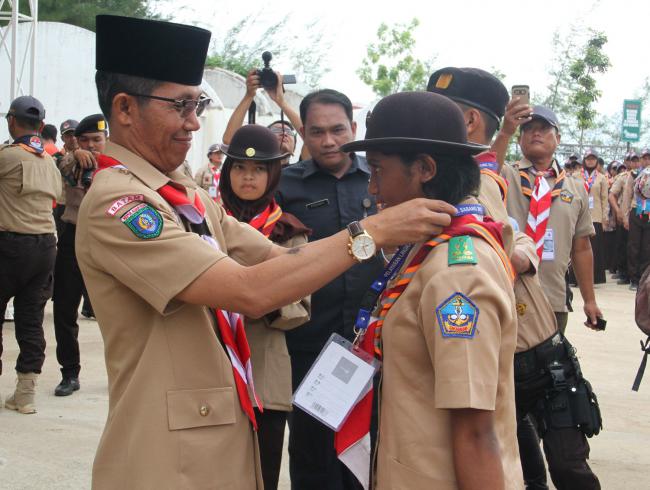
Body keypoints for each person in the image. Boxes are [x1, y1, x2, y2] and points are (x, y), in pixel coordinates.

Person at [78, 15, 454, 489]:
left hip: (220, 432)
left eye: (197, 105)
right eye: (181, 106)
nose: (194, 122)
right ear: (126, 107)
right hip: (168, 459)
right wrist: (372, 231)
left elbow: (274, 261)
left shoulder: (182, 196)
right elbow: (248, 290)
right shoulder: (122, 206)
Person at [339, 90, 523, 489]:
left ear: (424, 168)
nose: (372, 189)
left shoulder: (457, 274)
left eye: (378, 171)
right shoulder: (422, 247)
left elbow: (476, 432)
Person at [275, 87, 384, 490]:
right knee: (312, 453)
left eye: (338, 130)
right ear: (305, 134)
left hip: (374, 343)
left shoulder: (380, 179)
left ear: (353, 128)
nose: (329, 141)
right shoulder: (283, 185)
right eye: (317, 132)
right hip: (308, 344)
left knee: (368, 448)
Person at [218, 124, 310, 490]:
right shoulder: (201, 222)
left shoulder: (288, 231)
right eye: (239, 168)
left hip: (264, 371)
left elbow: (301, 306)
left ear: (273, 174)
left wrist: (253, 296)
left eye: (258, 170)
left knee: (264, 472)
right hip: (211, 364)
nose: (248, 176)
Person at [500, 106, 603, 334]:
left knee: (551, 368)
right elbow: (483, 171)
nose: (536, 133)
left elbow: (582, 249)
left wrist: (590, 300)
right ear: (520, 139)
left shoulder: (575, 189)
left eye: (543, 128)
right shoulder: (505, 175)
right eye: (528, 129)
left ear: (557, 138)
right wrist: (505, 132)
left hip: (552, 298)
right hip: (504, 293)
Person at [0, 95, 62, 414]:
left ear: (12, 121)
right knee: (30, 320)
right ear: (40, 126)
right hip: (45, 248)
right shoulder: (50, 162)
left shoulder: (7, 157)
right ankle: (25, 393)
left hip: (9, 246)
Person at [52, 114, 107, 396]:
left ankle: (123, 373)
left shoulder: (118, 164)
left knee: (116, 312)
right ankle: (69, 373)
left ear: (106, 139)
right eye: (84, 140)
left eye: (97, 140)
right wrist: (77, 151)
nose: (92, 146)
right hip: (73, 236)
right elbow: (64, 166)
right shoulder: (71, 160)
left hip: (109, 240)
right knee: (64, 308)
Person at [223, 69, 304, 165]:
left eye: (289, 132)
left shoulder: (302, 170)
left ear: (294, 148)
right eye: (276, 130)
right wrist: (249, 95)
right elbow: (229, 140)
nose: (283, 133)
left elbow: (309, 135)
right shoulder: (255, 166)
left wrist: (281, 102)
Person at [578, 148, 609, 284]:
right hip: (579, 216)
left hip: (596, 216)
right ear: (584, 161)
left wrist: (605, 218)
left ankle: (594, 278)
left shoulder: (602, 178)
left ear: (597, 161)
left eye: (593, 159)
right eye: (588, 159)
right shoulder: (575, 176)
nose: (590, 161)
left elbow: (605, 199)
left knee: (595, 248)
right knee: (578, 246)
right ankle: (576, 277)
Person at [627, 148, 650, 290]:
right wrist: (624, 214)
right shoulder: (634, 174)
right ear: (640, 160)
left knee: (647, 247)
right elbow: (627, 195)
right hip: (636, 210)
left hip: (649, 213)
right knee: (634, 246)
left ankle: (643, 277)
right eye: (644, 158)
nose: (646, 161)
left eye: (649, 158)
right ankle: (633, 278)